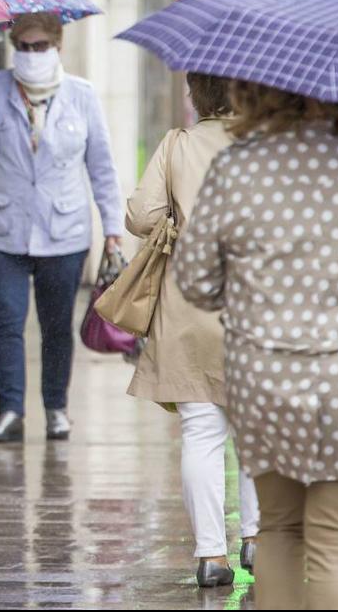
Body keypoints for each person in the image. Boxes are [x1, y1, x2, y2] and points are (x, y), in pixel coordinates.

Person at [175, 80, 338, 609]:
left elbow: (194, 281)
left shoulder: (235, 171)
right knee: (334, 541)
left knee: (280, 531)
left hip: (267, 385)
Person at [0, 12, 123, 444]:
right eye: (23, 47)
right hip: (3, 228)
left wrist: (113, 228)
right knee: (7, 321)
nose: (31, 55)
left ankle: (56, 408)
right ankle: (10, 410)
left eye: (39, 46)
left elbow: (101, 168)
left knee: (55, 324)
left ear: (58, 45)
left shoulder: (81, 96)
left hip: (63, 230)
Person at [125, 73, 259, 587]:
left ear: (198, 94)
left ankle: (210, 557)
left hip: (189, 305)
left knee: (202, 432)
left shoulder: (176, 145)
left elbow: (141, 214)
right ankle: (257, 542)